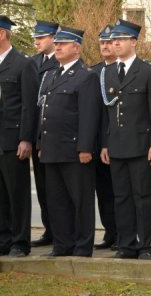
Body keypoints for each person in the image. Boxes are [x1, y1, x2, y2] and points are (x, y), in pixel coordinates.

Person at [100, 19, 151, 260]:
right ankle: (126, 244)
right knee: (121, 197)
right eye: (113, 40)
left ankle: (144, 244)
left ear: (134, 42)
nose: (115, 43)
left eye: (121, 39)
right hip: (116, 146)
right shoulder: (107, 73)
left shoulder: (147, 71)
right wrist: (104, 144)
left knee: (142, 197)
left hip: (141, 146)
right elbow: (105, 113)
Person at [37, 26, 102, 257]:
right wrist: (41, 143)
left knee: (80, 200)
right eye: (56, 44)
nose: (57, 47)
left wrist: (85, 148)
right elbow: (44, 111)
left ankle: (82, 246)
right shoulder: (51, 75)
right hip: (52, 149)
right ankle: (62, 244)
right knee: (57, 201)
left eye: (62, 44)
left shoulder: (86, 76)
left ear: (76, 48)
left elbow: (89, 115)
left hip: (74, 150)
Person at [0, 16, 38, 257]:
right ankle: (3, 239)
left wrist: (26, 138)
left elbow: (29, 105)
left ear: (2, 34)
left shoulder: (22, 64)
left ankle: (20, 241)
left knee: (17, 193)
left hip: (12, 139)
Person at [30, 20, 60, 247]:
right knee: (41, 185)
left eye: (41, 37)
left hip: (54, 132)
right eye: (35, 38)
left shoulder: (60, 63)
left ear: (53, 38)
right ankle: (49, 229)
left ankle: (61, 231)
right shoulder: (31, 63)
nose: (37, 42)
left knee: (56, 186)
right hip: (35, 130)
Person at [89, 25, 117, 250]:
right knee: (104, 192)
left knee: (121, 193)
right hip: (97, 143)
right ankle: (110, 232)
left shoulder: (124, 70)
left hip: (119, 141)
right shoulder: (93, 72)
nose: (106, 46)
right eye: (102, 43)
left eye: (109, 42)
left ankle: (125, 234)